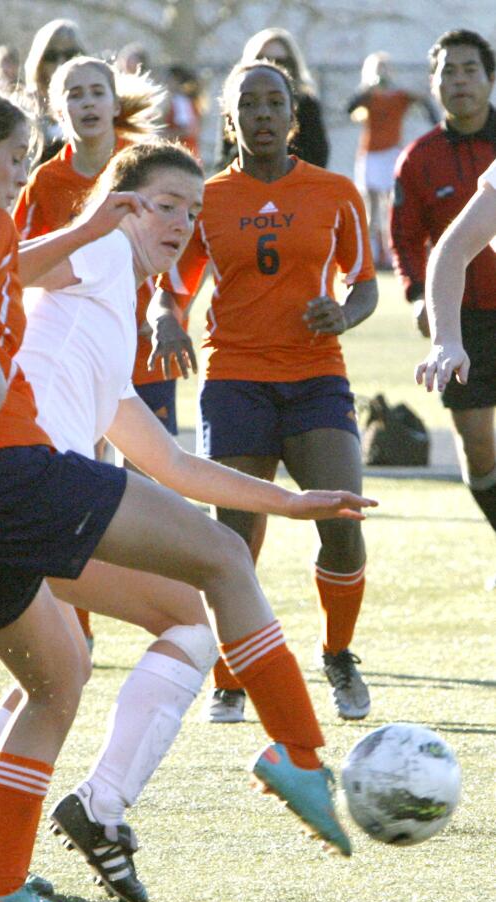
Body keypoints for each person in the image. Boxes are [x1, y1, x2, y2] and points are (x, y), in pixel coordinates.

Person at [0, 64, 367, 902]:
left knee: (60, 677)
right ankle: (296, 752)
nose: (185, 224)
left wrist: (296, 506)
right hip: (7, 476)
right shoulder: (85, 253)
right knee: (214, 576)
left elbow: (169, 463)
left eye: (195, 211)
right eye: (167, 205)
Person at [149, 59, 378, 724]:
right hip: (236, 379)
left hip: (316, 377)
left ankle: (337, 653)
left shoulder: (335, 192)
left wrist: (345, 312)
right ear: (231, 119)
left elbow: (363, 284)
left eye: (273, 102)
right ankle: (230, 676)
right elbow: (174, 283)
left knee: (341, 520)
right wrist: (167, 321)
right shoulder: (208, 198)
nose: (263, 115)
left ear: (293, 115)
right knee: (236, 540)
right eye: (247, 104)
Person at [13, 54, 168, 642]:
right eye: (73, 94)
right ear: (59, 110)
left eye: (96, 91)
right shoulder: (46, 183)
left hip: (135, 345)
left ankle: (156, 601)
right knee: (78, 475)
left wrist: (163, 309)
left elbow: (175, 247)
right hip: (71, 351)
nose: (87, 102)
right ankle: (74, 629)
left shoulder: (143, 167)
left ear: (114, 100)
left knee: (144, 476)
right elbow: (23, 262)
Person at [391, 29, 496, 585]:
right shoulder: (419, 159)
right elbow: (413, 242)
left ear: (489, 77)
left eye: (469, 70)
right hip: (465, 319)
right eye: (448, 71)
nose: (459, 81)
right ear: (434, 83)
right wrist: (420, 301)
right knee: (479, 449)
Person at [349, 51, 438, 269]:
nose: (382, 73)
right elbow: (349, 108)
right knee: (370, 207)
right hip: (370, 154)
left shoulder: (399, 96)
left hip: (391, 154)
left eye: (385, 68)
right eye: (378, 69)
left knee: (392, 205)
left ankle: (391, 255)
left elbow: (425, 103)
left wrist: (436, 125)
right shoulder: (368, 96)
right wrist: (367, 90)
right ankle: (371, 254)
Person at [217, 28, 329, 171]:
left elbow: (318, 156)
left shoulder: (306, 103)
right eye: (261, 59)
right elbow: (223, 158)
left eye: (280, 61)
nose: (271, 66)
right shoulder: (237, 102)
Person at [23, 18, 85, 166]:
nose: (61, 63)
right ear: (39, 61)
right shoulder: (24, 111)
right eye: (51, 56)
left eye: (71, 55)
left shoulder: (94, 107)